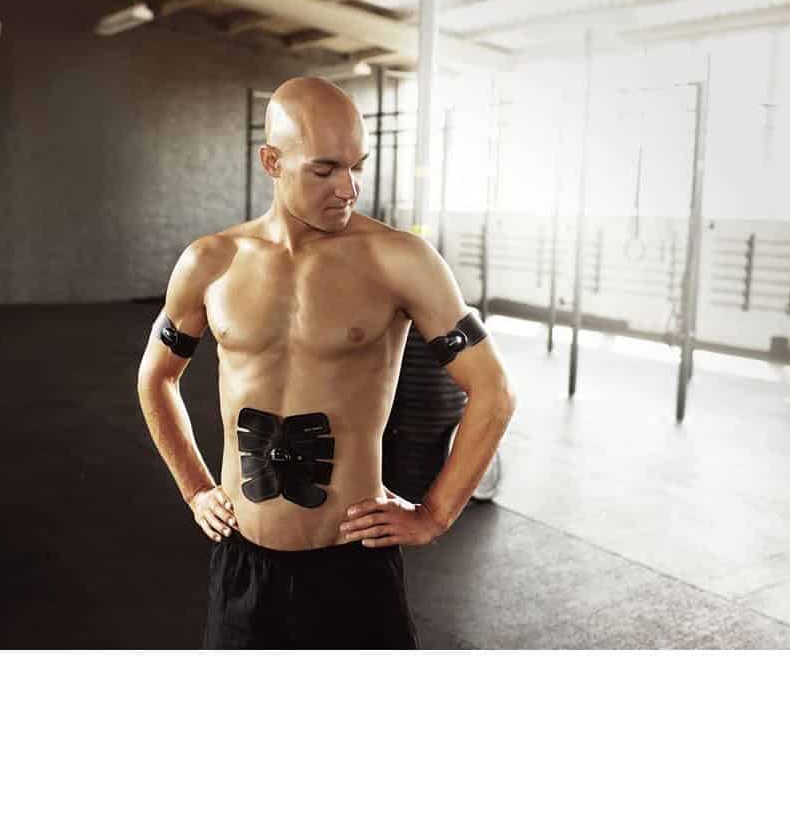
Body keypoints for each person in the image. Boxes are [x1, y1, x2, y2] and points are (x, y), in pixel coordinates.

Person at [137, 76, 516, 649]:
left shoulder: (400, 260)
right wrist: (195, 490)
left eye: (357, 166)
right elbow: (157, 377)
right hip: (243, 565)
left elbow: (494, 391)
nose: (349, 187)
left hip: (353, 567)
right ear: (272, 161)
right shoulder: (211, 262)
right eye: (325, 170)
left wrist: (435, 515)